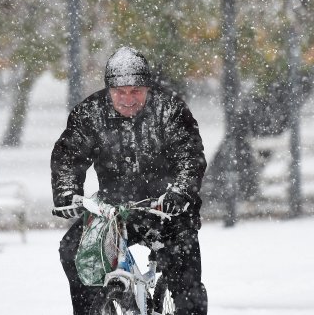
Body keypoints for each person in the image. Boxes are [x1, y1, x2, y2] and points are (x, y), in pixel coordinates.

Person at [51, 46, 208, 315]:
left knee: (186, 286)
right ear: (109, 90)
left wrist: (179, 193)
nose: (128, 99)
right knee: (72, 250)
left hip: (167, 211)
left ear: (147, 88)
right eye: (119, 92)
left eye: (136, 91)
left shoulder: (169, 111)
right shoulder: (90, 114)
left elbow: (189, 157)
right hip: (115, 213)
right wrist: (67, 192)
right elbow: (68, 156)